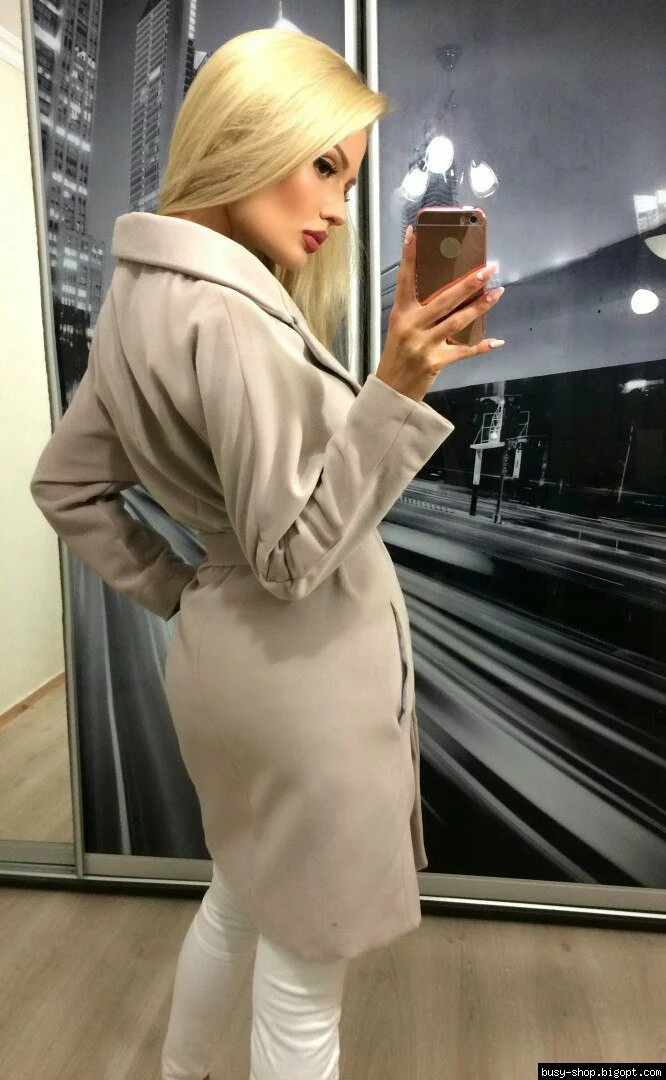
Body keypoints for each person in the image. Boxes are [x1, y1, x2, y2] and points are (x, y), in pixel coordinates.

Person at [29, 28, 505, 1080]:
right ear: (245, 138)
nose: (336, 206)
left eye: (350, 178)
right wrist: (396, 389)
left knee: (239, 900)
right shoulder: (234, 316)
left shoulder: (140, 295)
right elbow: (290, 559)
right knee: (301, 987)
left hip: (228, 677)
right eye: (322, 164)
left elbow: (65, 483)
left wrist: (185, 589)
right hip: (300, 690)